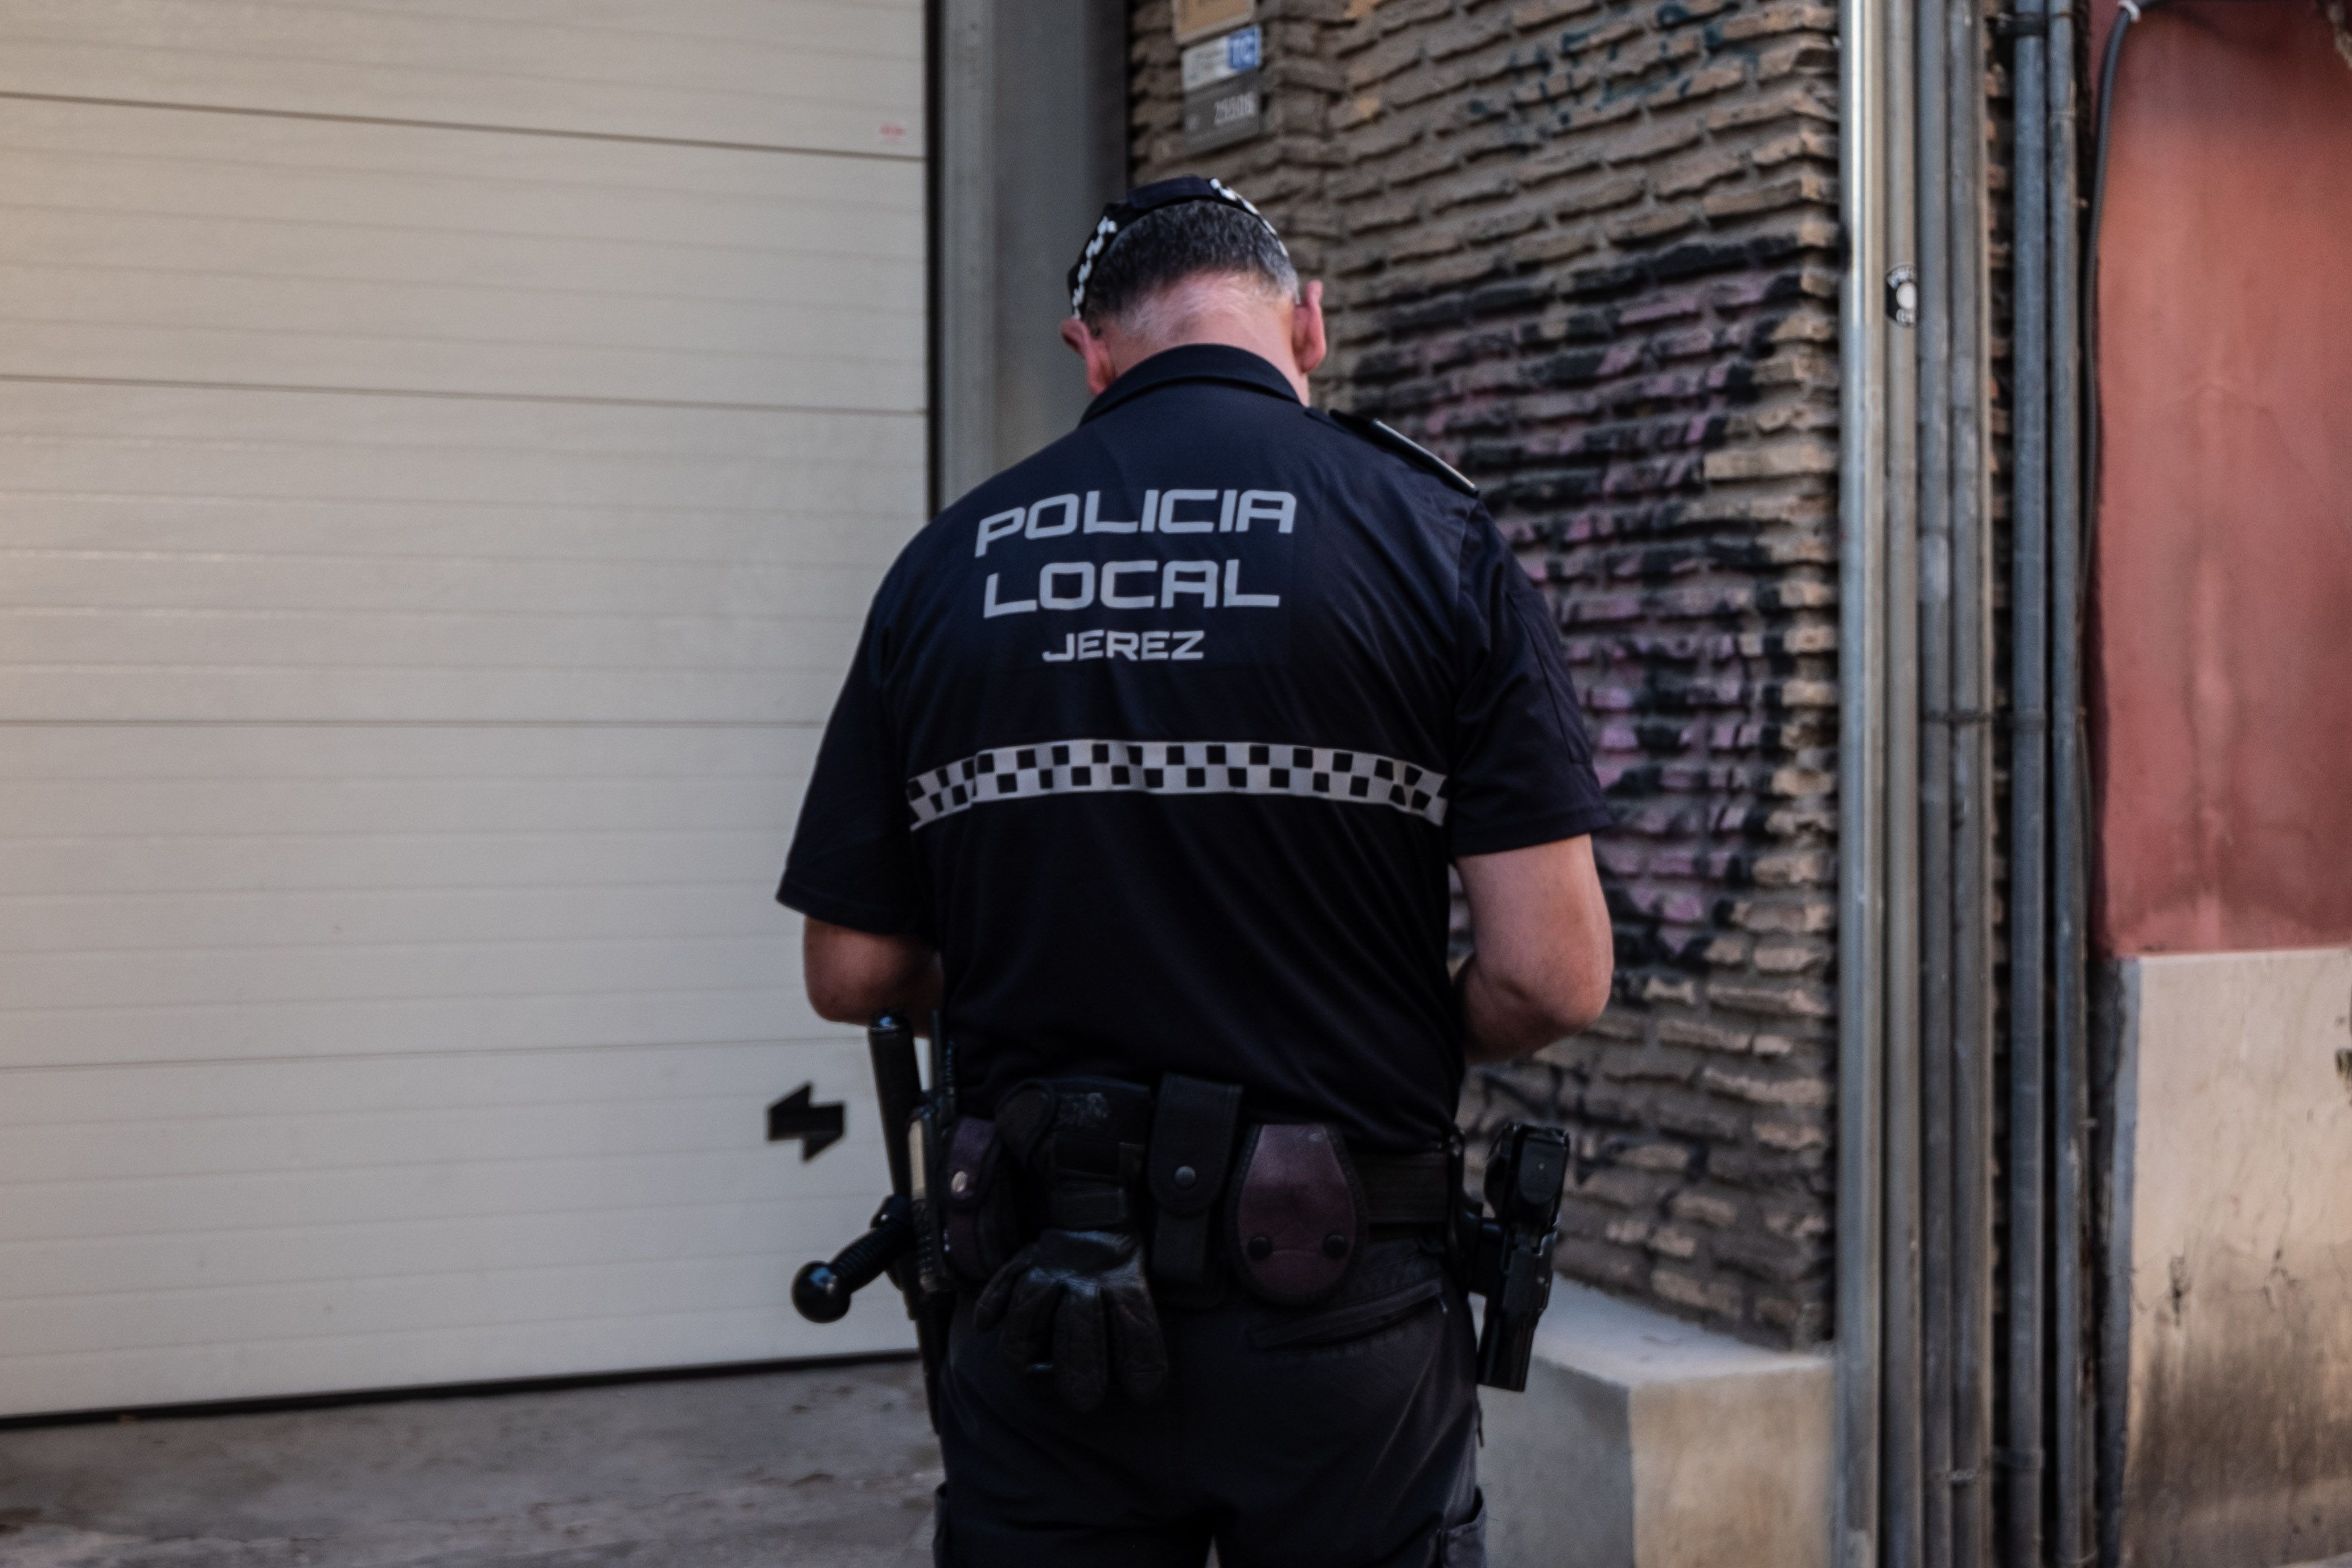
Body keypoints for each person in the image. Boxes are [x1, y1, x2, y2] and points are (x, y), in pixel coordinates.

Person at [779, 176, 1614, 1568]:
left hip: (1033, 1295)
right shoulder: (1435, 543)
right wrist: (1371, 1024)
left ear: (1089, 350)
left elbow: (852, 970)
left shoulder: (942, 568)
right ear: (1308, 324)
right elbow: (1551, 975)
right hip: (1337, 1294)